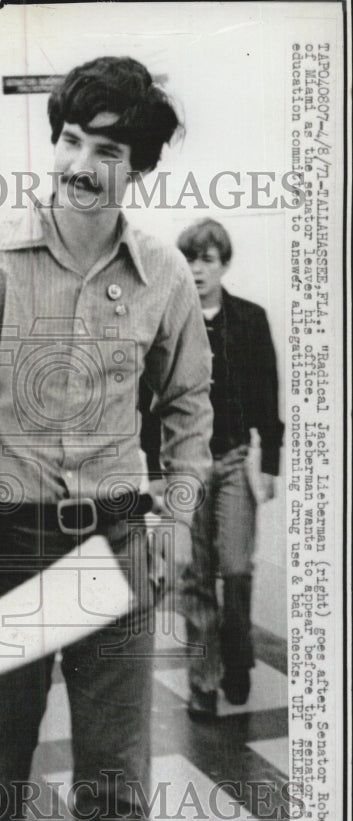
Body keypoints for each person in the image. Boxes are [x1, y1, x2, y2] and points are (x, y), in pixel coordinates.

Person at [0, 56, 213, 821]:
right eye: (73, 141)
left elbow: (189, 406)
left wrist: (175, 519)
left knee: (116, 762)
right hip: (11, 540)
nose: (81, 165)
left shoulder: (163, 275)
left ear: (138, 167)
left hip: (116, 541)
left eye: (108, 151)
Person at [173, 219, 283, 719]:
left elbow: (267, 393)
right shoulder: (170, 319)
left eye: (207, 260)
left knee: (236, 570)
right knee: (195, 577)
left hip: (236, 460)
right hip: (186, 466)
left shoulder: (250, 319)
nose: (196, 270)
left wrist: (270, 464)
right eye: (189, 259)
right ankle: (203, 681)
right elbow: (149, 398)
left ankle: (237, 657)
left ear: (224, 264)